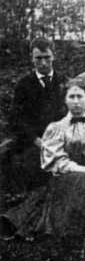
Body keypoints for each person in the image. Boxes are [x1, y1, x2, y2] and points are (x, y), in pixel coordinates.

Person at [0, 79, 85, 247]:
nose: (76, 102)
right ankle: (81, 234)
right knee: (80, 182)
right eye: (72, 97)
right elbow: (57, 160)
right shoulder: (56, 128)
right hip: (65, 177)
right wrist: (84, 171)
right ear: (65, 100)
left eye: (80, 96)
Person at [3, 37, 65, 193]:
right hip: (33, 142)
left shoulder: (64, 82)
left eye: (47, 58)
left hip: (62, 140)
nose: (43, 63)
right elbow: (17, 119)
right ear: (32, 58)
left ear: (54, 56)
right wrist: (36, 140)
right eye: (38, 58)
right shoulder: (23, 85)